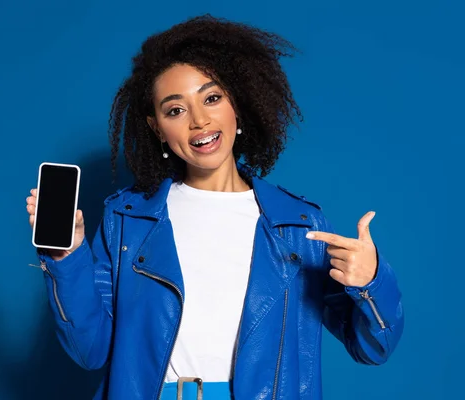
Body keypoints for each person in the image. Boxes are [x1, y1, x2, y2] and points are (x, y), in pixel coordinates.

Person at [24, 14, 404, 400]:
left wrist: (371, 281)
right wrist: (66, 256)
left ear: (236, 104)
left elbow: (374, 348)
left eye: (212, 97)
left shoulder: (297, 225)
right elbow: (90, 351)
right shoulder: (127, 221)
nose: (200, 121)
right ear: (157, 127)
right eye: (176, 110)